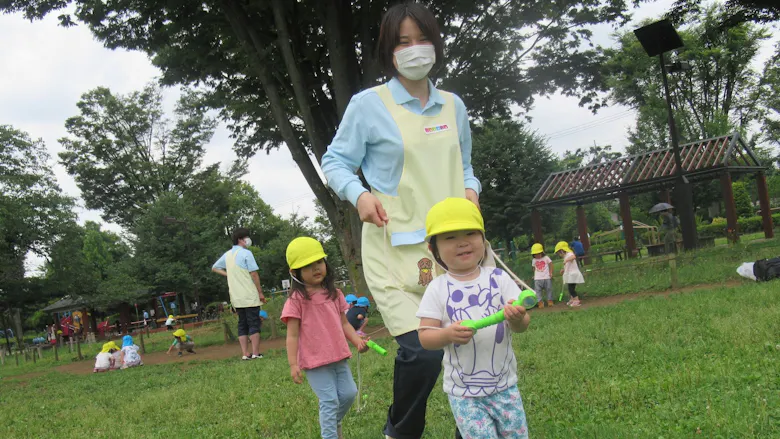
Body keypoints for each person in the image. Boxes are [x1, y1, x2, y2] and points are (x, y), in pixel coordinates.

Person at [319, 4, 483, 437]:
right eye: (402, 42)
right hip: (393, 252)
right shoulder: (369, 105)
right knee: (423, 352)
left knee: (471, 348)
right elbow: (335, 162)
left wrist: (471, 191)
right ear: (388, 52)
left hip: (452, 250)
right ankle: (401, 432)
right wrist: (359, 194)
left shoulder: (453, 105)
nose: (414, 50)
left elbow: (466, 166)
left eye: (421, 39)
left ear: (436, 44)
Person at [416, 198, 531, 438]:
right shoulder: (437, 288)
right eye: (450, 237)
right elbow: (425, 337)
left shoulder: (499, 278)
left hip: (505, 386)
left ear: (483, 240)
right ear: (433, 249)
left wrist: (517, 318)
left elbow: (521, 326)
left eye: (470, 233)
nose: (462, 243)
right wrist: (447, 334)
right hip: (464, 394)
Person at [281, 237, 368, 439]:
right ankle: (330, 434)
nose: (316, 268)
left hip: (338, 355)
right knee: (329, 401)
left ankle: (333, 423)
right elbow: (292, 335)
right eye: (308, 266)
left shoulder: (335, 294)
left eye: (319, 262)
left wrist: (357, 342)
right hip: (314, 361)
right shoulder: (296, 300)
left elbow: (345, 323)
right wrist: (293, 364)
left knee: (349, 394)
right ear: (295, 273)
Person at [212, 227, 267, 361]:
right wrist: (260, 292)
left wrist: (228, 274)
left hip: (236, 297)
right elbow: (254, 273)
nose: (248, 240)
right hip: (249, 294)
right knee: (254, 323)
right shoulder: (246, 253)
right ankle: (255, 353)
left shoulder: (227, 255)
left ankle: (245, 353)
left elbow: (214, 268)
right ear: (241, 240)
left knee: (242, 324)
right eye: (246, 237)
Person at [555, 241, 584, 307]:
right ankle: (572, 299)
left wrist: (566, 260)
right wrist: (563, 270)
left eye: (559, 253)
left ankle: (576, 300)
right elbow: (568, 266)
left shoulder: (569, 254)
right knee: (570, 288)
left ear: (562, 250)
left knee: (571, 289)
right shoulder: (566, 257)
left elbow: (573, 256)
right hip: (570, 275)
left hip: (573, 275)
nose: (559, 255)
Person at [531, 243, 554, 308]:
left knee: (549, 289)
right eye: (535, 254)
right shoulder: (534, 260)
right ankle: (540, 302)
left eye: (538, 253)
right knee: (538, 291)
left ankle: (550, 301)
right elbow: (534, 268)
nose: (537, 255)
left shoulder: (546, 258)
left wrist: (551, 272)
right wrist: (534, 275)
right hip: (537, 279)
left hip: (546, 277)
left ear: (542, 252)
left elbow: (551, 264)